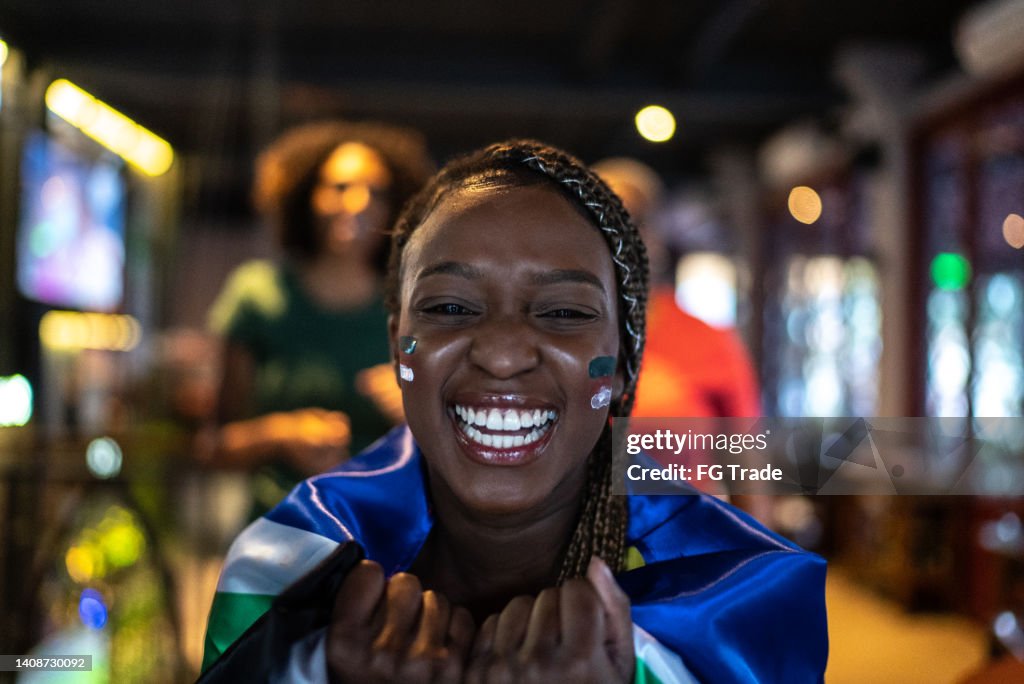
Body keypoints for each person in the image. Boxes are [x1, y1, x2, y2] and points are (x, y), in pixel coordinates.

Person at [201, 140, 827, 682]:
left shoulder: (738, 589)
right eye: (449, 307)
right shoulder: (290, 561)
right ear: (397, 345)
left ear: (623, 360)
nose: (502, 354)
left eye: (564, 312)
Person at [202, 120, 434, 517]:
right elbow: (212, 446)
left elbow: (458, 442)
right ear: (305, 196)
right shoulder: (258, 296)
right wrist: (281, 435)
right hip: (281, 534)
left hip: (385, 531)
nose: (358, 202)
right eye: (339, 187)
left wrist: (418, 411)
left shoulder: (416, 303)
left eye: (376, 191)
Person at [591, 158, 761, 419]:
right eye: (602, 223)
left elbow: (746, 451)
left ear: (656, 239)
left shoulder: (709, 342)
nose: (618, 238)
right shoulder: (552, 341)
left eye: (635, 222)